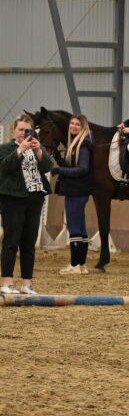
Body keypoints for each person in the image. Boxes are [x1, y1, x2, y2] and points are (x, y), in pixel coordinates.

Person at [0, 114, 53, 294]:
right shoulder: (5, 148)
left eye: (27, 130)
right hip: (13, 198)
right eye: (21, 129)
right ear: (14, 131)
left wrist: (39, 151)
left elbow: (47, 167)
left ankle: (27, 283)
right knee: (11, 240)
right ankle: (7, 282)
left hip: (35, 198)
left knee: (29, 242)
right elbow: (4, 168)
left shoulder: (37, 147)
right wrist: (20, 150)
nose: (24, 133)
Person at [51, 113, 94, 274]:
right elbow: (72, 166)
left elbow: (82, 169)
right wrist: (59, 159)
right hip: (78, 190)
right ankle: (81, 265)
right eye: (72, 123)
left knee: (74, 227)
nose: (73, 126)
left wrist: (59, 170)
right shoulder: (76, 144)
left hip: (77, 190)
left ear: (83, 127)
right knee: (80, 228)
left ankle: (75, 265)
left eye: (77, 124)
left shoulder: (83, 145)